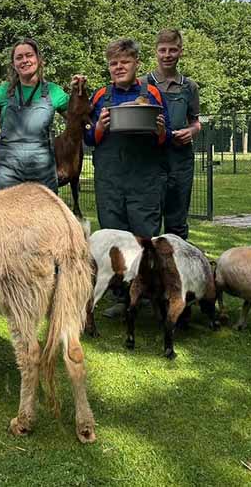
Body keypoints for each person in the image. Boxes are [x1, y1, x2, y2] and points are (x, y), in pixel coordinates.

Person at [83, 38, 171, 319]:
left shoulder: (153, 94)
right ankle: (121, 297)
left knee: (145, 238)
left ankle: (149, 295)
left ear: (136, 64)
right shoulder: (100, 97)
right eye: (113, 63)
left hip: (143, 180)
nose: (118, 67)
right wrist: (98, 127)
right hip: (110, 181)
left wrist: (159, 131)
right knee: (114, 238)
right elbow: (87, 138)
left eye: (124, 62)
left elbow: (166, 136)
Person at [141, 29, 201, 239]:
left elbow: (196, 122)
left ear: (180, 52)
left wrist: (191, 132)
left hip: (180, 159)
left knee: (177, 221)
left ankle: (176, 268)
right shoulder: (142, 84)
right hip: (150, 158)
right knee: (148, 220)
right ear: (155, 52)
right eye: (162, 50)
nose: (167, 55)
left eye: (172, 50)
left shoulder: (189, 86)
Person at [0, 38, 69, 192]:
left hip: (42, 168)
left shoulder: (55, 92)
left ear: (39, 59)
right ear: (13, 64)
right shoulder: (3, 90)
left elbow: (76, 121)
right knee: (3, 213)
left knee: (43, 214)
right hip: (7, 168)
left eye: (29, 55)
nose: (24, 60)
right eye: (19, 58)